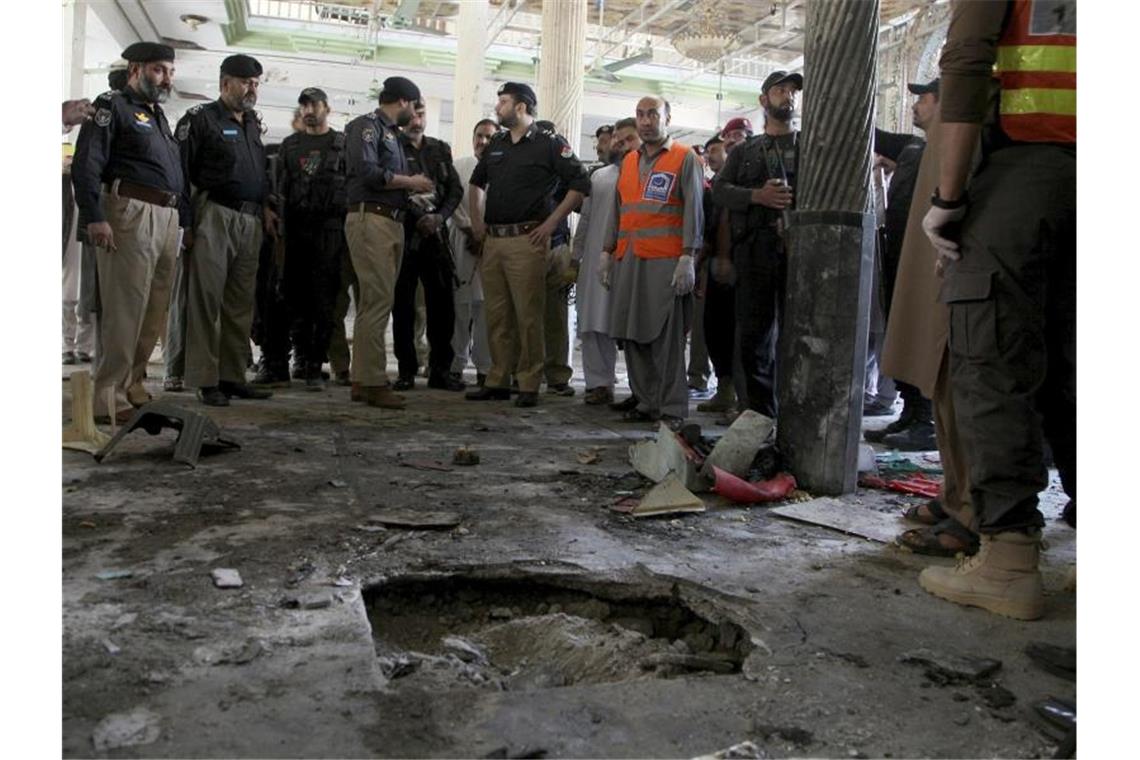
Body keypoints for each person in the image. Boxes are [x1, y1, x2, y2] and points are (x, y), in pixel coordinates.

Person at [917, 0, 1075, 620]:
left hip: (1031, 167)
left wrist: (949, 198)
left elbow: (966, 68)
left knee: (991, 352)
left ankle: (1008, 559)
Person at [71, 42, 187, 424]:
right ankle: (107, 396)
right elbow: (87, 164)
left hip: (166, 217)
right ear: (136, 69)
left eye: (169, 71)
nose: (166, 78)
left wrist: (180, 220)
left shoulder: (157, 116)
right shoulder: (112, 106)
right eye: (158, 69)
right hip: (129, 213)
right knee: (124, 309)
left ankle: (133, 384)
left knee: (154, 310)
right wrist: (94, 216)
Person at [463, 82, 590, 408]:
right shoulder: (498, 144)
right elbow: (477, 183)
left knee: (528, 315)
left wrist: (551, 223)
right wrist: (477, 224)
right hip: (494, 240)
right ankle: (498, 379)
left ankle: (529, 382)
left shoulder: (549, 144)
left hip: (527, 239)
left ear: (521, 107)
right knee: (497, 314)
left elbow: (580, 182)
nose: (498, 106)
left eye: (503, 101)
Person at [175, 54, 277, 407]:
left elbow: (258, 172)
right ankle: (205, 380)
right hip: (214, 215)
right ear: (224, 83)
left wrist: (265, 207)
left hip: (249, 221)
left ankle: (233, 375)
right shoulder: (200, 119)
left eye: (256, 83)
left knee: (239, 303)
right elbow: (180, 174)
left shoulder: (251, 123)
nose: (252, 89)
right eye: (246, 82)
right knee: (206, 300)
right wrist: (185, 223)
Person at [601, 95, 704, 427]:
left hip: (665, 262)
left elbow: (694, 212)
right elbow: (619, 210)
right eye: (640, 115)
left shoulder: (684, 158)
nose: (646, 121)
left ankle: (672, 409)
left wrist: (688, 257)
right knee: (632, 334)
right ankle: (646, 402)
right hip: (628, 259)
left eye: (653, 114)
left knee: (665, 339)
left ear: (667, 118)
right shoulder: (629, 161)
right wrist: (606, 252)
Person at [712, 70, 802, 420]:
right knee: (754, 336)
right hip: (755, 252)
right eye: (780, 90)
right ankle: (758, 415)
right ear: (764, 100)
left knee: (798, 336)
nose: (788, 96)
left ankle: (794, 414)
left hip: (800, 254)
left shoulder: (808, 146)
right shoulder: (746, 151)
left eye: (792, 91)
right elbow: (720, 189)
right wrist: (757, 196)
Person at [343, 75, 433, 409]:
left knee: (373, 302)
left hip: (389, 220)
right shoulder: (367, 127)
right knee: (378, 300)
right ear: (404, 102)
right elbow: (366, 171)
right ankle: (373, 381)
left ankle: (361, 378)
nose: (416, 114)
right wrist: (411, 181)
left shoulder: (391, 135)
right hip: (372, 219)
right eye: (415, 106)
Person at [864, 80, 942, 450]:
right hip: (899, 253)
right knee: (903, 330)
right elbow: (873, 135)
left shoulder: (950, 149)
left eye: (923, 99)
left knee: (922, 333)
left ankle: (926, 419)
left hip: (927, 259)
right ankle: (911, 411)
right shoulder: (914, 146)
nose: (915, 105)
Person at [276, 88, 349, 389]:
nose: (309, 110)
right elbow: (280, 189)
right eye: (304, 105)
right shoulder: (290, 146)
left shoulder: (341, 145)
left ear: (326, 108)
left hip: (330, 231)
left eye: (314, 104)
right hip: (297, 230)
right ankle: (302, 360)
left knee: (325, 301)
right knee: (296, 298)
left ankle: (315, 363)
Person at [392, 99, 465, 392]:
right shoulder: (392, 147)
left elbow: (455, 189)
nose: (416, 120)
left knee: (442, 307)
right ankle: (406, 370)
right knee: (404, 307)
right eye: (411, 115)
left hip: (436, 237)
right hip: (405, 235)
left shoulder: (439, 149)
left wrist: (439, 217)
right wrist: (419, 216)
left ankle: (440, 371)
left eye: (420, 115)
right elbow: (389, 187)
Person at [572, 118, 640, 406]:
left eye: (628, 140)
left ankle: (642, 390)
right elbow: (586, 219)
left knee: (637, 327)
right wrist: (575, 257)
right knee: (594, 321)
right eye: (618, 140)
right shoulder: (599, 177)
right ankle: (598, 383)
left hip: (636, 260)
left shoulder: (648, 174)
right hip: (595, 259)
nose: (621, 145)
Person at [448, 118, 498, 387]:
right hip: (461, 242)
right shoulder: (460, 166)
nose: (483, 142)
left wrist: (485, 236)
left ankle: (485, 368)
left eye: (489, 137)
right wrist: (469, 230)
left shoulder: (504, 169)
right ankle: (455, 364)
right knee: (460, 307)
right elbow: (452, 201)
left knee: (486, 310)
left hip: (493, 246)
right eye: (479, 136)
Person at [695, 134, 739, 415]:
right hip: (715, 267)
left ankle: (742, 397)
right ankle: (724, 390)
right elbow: (710, 229)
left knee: (740, 334)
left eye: (717, 150)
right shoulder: (716, 189)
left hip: (742, 267)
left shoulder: (745, 185)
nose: (712, 155)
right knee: (715, 329)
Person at [535, 119, 577, 398]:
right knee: (524, 313)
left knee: (557, 316)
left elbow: (580, 197)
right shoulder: (523, 168)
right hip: (526, 244)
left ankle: (558, 374)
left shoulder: (565, 170)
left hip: (559, 246)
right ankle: (523, 372)